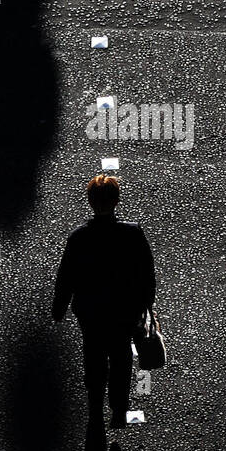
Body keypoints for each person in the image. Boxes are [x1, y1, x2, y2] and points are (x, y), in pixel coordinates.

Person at [52, 174, 157, 429]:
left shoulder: (79, 237)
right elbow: (146, 272)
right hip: (123, 311)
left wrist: (59, 308)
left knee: (93, 357)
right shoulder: (132, 233)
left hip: (91, 311)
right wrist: (146, 305)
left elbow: (66, 275)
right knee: (121, 357)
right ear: (117, 201)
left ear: (90, 202)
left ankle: (95, 410)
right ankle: (119, 410)